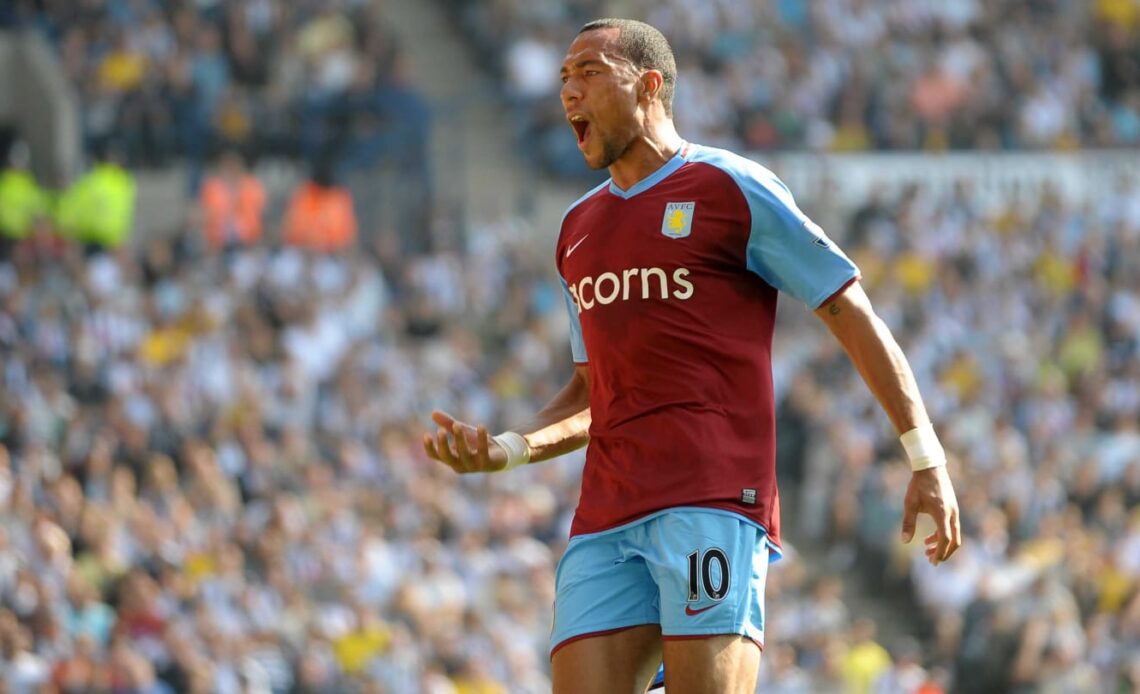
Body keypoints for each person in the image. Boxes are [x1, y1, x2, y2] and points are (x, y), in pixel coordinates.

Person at [423, 18, 962, 694]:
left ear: (649, 85)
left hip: (712, 499)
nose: (568, 93)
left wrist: (925, 457)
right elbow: (594, 393)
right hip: (607, 513)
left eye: (589, 72)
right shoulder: (577, 232)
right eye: (563, 78)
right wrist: (507, 447)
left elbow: (850, 312)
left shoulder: (731, 188)